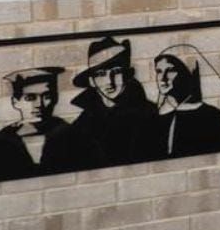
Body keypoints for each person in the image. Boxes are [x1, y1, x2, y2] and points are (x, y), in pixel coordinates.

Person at [65, 36, 156, 166]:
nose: (109, 81)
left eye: (116, 71)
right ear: (92, 81)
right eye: (101, 74)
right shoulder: (84, 122)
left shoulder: (149, 114)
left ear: (127, 75)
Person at [0, 67, 68, 180]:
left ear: (55, 99)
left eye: (47, 96)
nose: (39, 104)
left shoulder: (69, 134)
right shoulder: (2, 141)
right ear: (16, 102)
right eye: (30, 98)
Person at [151, 45, 220, 157]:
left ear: (188, 73)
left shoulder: (213, 118)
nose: (163, 78)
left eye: (171, 70)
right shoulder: (152, 118)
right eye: (159, 71)